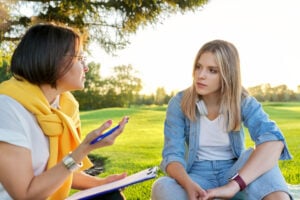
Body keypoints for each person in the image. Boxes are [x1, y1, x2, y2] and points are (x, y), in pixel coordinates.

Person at [0, 23, 129, 200]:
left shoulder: (66, 107)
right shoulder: (7, 108)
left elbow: (60, 172)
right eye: (80, 58)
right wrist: (82, 150)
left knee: (110, 196)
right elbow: (25, 195)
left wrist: (102, 183)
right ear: (53, 59)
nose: (86, 67)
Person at [151, 39, 293, 200]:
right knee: (162, 187)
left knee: (265, 164)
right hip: (196, 176)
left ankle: (230, 193)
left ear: (227, 74)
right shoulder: (179, 102)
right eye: (198, 67)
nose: (201, 75)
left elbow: (274, 140)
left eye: (212, 70)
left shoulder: (242, 100)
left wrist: (233, 186)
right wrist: (188, 184)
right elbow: (172, 155)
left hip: (234, 173)